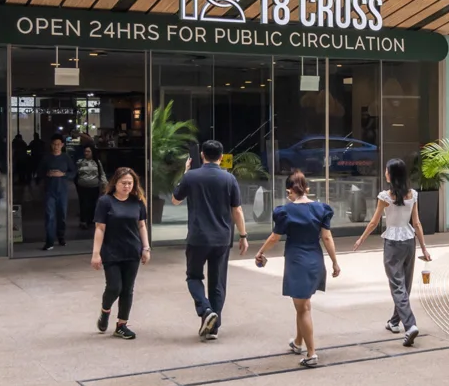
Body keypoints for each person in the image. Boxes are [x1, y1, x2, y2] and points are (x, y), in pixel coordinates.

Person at [254, 169, 339, 367]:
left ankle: (311, 354)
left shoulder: (286, 211)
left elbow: (275, 237)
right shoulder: (321, 209)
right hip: (315, 260)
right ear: (307, 188)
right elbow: (326, 237)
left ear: (290, 191)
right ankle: (298, 342)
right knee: (303, 305)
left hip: (297, 261)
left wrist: (261, 252)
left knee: (303, 308)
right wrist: (334, 261)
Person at [173, 139, 247, 340]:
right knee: (218, 282)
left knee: (194, 276)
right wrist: (243, 235)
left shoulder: (192, 177)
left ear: (202, 155)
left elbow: (175, 199)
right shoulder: (229, 179)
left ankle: (206, 311)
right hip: (222, 238)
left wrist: (186, 173)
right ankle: (214, 327)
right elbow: (237, 210)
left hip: (198, 237)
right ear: (221, 157)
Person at [352, 158, 432, 346]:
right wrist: (424, 248)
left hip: (393, 243)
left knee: (397, 285)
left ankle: (410, 324)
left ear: (392, 174)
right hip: (409, 241)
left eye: (387, 170)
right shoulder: (412, 195)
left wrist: (361, 239)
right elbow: (417, 223)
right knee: (405, 284)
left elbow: (373, 222)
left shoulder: (385, 197)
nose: (385, 173)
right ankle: (394, 321)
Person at [90, 167, 151, 339]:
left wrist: (146, 248)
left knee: (128, 289)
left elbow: (141, 225)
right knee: (114, 287)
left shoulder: (138, 201)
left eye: (130, 183)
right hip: (111, 251)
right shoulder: (105, 202)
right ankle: (105, 311)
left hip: (132, 251)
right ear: (115, 183)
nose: (127, 186)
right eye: (123, 183)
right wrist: (96, 253)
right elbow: (100, 228)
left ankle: (122, 324)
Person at [38, 135, 73, 250]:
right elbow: (39, 173)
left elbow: (73, 172)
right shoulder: (46, 158)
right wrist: (47, 174)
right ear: (51, 145)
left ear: (62, 145)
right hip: (49, 191)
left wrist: (63, 174)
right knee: (49, 216)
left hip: (62, 190)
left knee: (62, 215)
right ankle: (49, 241)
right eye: (54, 144)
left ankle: (61, 237)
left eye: (58, 144)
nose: (56, 147)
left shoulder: (66, 158)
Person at [74, 144, 106, 233]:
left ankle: (90, 219)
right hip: (82, 186)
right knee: (84, 203)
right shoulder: (80, 162)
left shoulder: (97, 162)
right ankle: (83, 221)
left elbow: (101, 173)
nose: (86, 153)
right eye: (85, 151)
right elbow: (75, 173)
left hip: (94, 186)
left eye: (88, 151)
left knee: (92, 203)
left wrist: (105, 184)